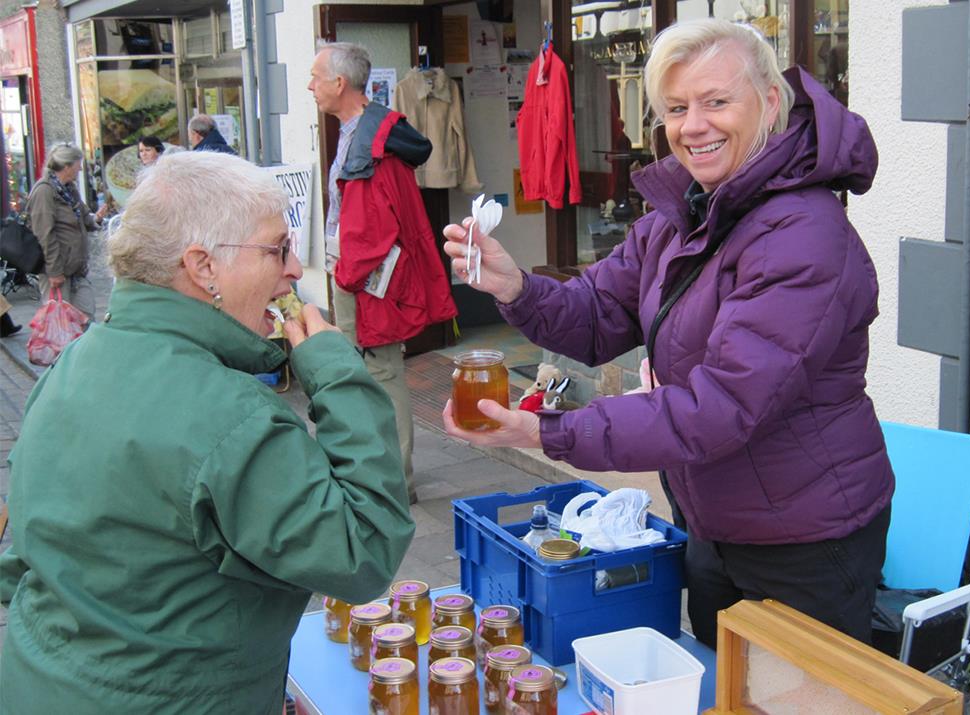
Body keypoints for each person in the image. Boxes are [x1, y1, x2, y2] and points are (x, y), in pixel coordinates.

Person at [441, 18, 894, 648]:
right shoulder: (685, 215)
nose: (693, 126)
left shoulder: (803, 235)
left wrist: (551, 432)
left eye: (716, 102)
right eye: (676, 108)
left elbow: (723, 406)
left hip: (805, 537)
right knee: (721, 682)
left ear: (768, 102)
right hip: (714, 519)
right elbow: (599, 312)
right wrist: (515, 285)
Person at [0, 151, 415, 713]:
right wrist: (338, 374)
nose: (294, 270)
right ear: (203, 268)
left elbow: (28, 557)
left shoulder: (79, 361)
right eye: (277, 249)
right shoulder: (229, 415)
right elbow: (362, 549)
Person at [309, 41, 456, 504]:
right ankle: (386, 475)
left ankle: (395, 481)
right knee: (376, 374)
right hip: (361, 276)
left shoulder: (372, 141)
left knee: (382, 375)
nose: (310, 85)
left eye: (316, 77)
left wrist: (346, 277)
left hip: (367, 281)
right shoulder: (366, 133)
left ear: (339, 83)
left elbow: (372, 231)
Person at [25, 143, 109, 320]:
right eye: (78, 163)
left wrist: (97, 219)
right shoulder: (44, 191)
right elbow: (45, 235)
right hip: (57, 270)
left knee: (87, 317)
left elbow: (85, 217)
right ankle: (63, 349)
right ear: (67, 166)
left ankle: (84, 348)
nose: (80, 168)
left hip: (77, 268)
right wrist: (54, 271)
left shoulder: (69, 189)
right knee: (60, 323)